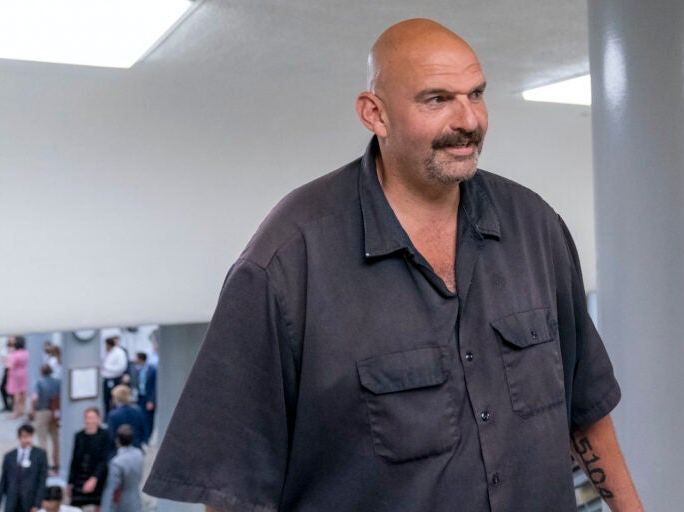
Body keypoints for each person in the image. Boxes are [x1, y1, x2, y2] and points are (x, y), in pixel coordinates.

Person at [144, 18, 643, 512]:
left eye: (476, 94)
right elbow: (235, 493)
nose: (468, 120)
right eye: (437, 99)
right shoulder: (288, 262)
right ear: (374, 114)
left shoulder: (535, 227)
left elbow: (585, 410)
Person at [68, 408, 110, 511]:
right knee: (76, 504)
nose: (89, 421)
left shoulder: (104, 435)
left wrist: (94, 478)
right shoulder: (79, 436)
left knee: (98, 503)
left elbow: (104, 459)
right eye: (87, 418)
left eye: (92, 418)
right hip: (81, 475)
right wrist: (70, 481)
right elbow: (74, 459)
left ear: (97, 419)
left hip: (97, 476)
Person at [0, 424, 48, 512]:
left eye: (29, 436)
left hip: (29, 500)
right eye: (24, 436)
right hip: (12, 500)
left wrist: (37, 504)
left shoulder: (40, 455)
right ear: (19, 438)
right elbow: (3, 481)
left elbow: (42, 480)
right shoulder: (9, 456)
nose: (27, 439)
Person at [100, 425, 144, 512]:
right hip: (136, 499)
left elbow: (112, 489)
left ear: (118, 440)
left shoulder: (116, 462)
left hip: (122, 503)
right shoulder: (139, 454)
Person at [29, 364, 61, 472]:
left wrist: (32, 409)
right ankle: (56, 462)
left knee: (42, 440)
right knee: (55, 439)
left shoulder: (38, 382)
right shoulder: (57, 382)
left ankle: (45, 464)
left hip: (42, 411)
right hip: (54, 412)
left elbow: (35, 397)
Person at [132, 353, 156, 443]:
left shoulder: (152, 370)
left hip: (148, 397)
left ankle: (148, 436)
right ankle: (143, 437)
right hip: (140, 397)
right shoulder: (138, 370)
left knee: (149, 418)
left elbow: (154, 387)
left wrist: (151, 400)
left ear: (141, 359)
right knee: (140, 416)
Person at [101, 337, 127, 417]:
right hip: (106, 379)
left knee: (116, 399)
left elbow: (122, 367)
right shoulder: (106, 352)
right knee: (106, 400)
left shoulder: (119, 353)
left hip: (116, 379)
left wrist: (107, 368)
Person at [7, 336, 29, 418]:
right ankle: (22, 410)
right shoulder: (26, 352)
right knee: (23, 392)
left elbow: (11, 364)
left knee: (16, 393)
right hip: (24, 372)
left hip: (15, 374)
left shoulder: (15, 354)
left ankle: (16, 412)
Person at [0, 337, 15, 411]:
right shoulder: (5, 349)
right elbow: (4, 360)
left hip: (13, 370)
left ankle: (12, 405)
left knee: (12, 388)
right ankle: (6, 405)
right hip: (7, 369)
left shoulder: (16, 349)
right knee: (3, 388)